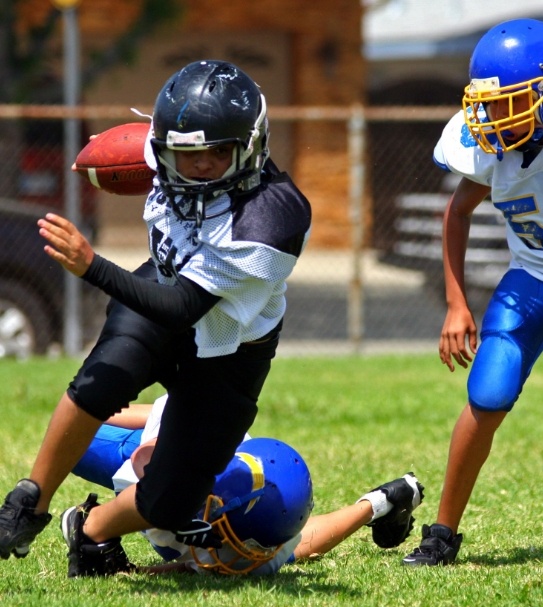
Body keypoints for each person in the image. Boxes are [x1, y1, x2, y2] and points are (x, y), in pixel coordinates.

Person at [0, 60, 313, 576]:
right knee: (104, 377)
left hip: (228, 346)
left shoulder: (272, 215)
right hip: (160, 288)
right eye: (185, 153)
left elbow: (186, 309)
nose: (200, 165)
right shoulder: (163, 151)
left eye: (217, 152)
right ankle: (29, 500)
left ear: (251, 146)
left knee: (170, 501)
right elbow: (140, 156)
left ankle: (91, 530)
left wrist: (92, 266)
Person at [402, 18, 543, 567]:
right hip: (530, 280)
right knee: (487, 394)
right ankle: (442, 534)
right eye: (487, 104)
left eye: (509, 104)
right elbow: (457, 212)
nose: (492, 118)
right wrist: (457, 303)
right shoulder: (491, 148)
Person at [70, 394, 425, 576]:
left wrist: (375, 504)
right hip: (159, 444)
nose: (237, 552)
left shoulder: (273, 531)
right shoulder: (193, 445)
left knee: (289, 555)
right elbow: (149, 460)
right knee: (74, 439)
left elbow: (295, 546)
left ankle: (385, 500)